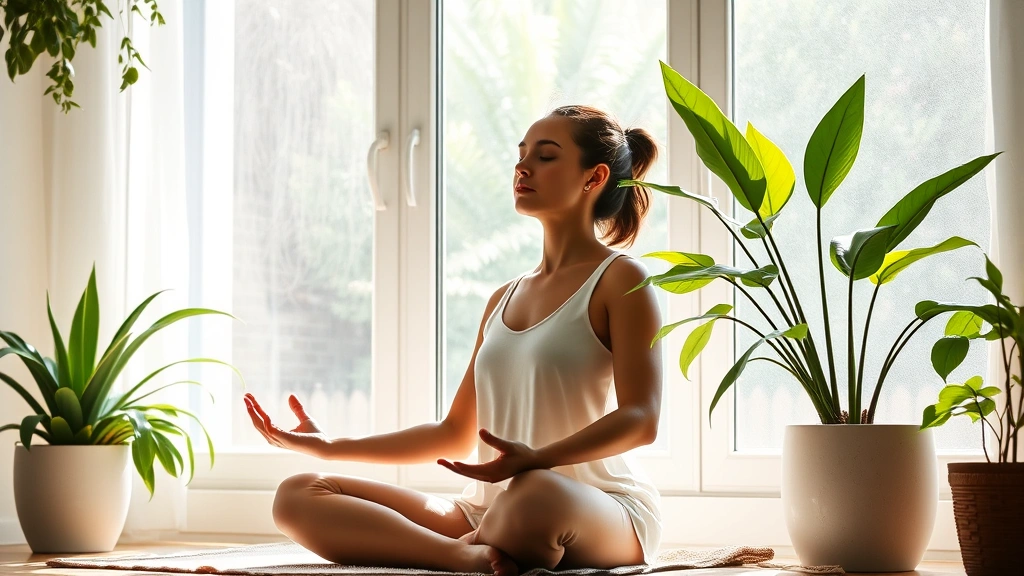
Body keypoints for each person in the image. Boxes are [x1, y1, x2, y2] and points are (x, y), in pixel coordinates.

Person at [244, 105, 664, 576]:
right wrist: (330, 445)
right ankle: (464, 555)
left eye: (546, 157)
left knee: (533, 493)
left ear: (595, 177)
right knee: (300, 492)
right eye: (521, 154)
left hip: (598, 509)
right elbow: (454, 434)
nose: (523, 167)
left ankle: (483, 545)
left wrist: (537, 459)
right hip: (488, 510)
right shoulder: (503, 297)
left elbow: (640, 419)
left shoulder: (622, 279)